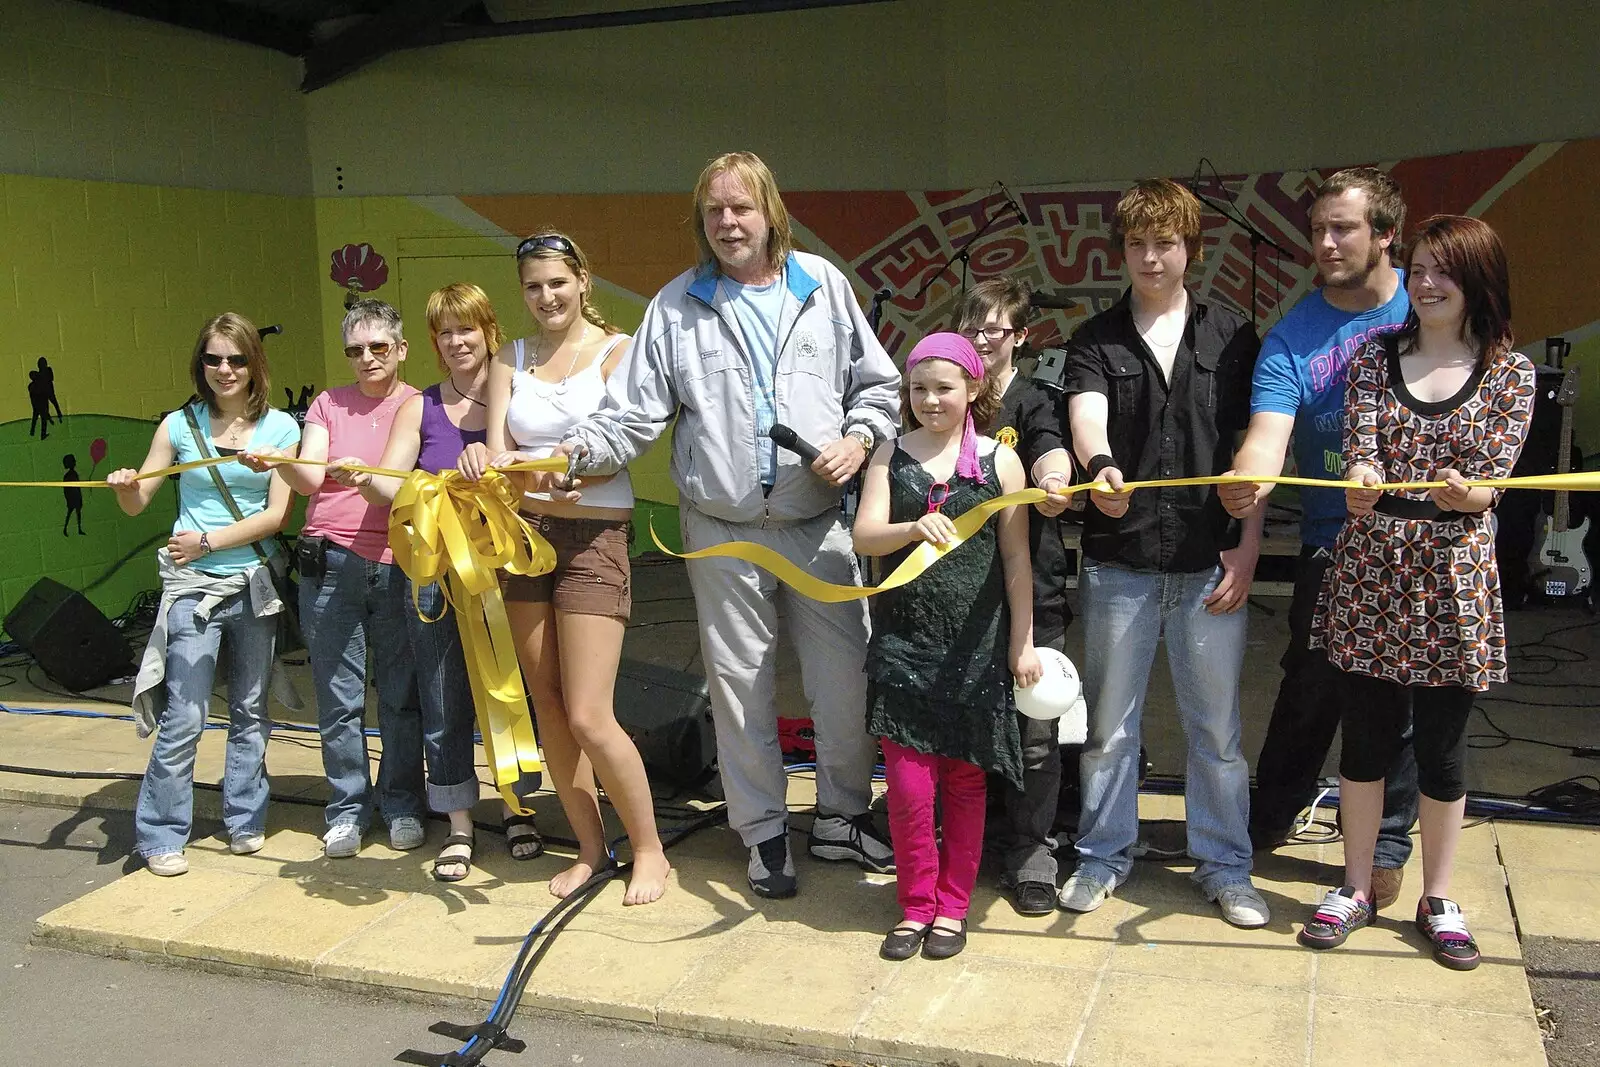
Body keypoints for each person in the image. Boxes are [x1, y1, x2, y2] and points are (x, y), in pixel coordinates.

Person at [560, 151, 901, 899]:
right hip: (722, 529)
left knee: (845, 685)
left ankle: (843, 815)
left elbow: (879, 385)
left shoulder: (824, 288)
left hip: (819, 528)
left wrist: (859, 437)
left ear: (770, 212)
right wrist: (567, 456)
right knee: (739, 686)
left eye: (741, 208)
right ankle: (765, 832)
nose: (727, 223)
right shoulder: (676, 305)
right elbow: (632, 416)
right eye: (714, 211)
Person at [1297, 216, 1534, 970]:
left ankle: (1438, 897)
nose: (1427, 283)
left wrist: (1475, 493)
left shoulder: (1511, 372)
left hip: (1453, 575)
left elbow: (1494, 475)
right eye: (1421, 268)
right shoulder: (1373, 357)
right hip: (1372, 566)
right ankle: (1356, 884)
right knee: (1363, 741)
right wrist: (1361, 481)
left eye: (1446, 271)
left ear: (1478, 281)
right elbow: (1361, 450)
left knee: (1442, 749)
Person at [1061, 179, 1269, 927]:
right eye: (1138, 244)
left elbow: (1256, 445)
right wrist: (1097, 466)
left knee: (1216, 731)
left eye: (1166, 242)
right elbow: (1085, 415)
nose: (1151, 257)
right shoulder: (1094, 338)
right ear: (1122, 251)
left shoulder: (1235, 336)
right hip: (1119, 562)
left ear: (1192, 249)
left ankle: (1226, 866)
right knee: (1108, 728)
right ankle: (1101, 856)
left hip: (1209, 561)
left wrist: (1248, 549)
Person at [1219, 168, 1419, 909]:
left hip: (1419, 541)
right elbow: (1268, 437)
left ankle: (1388, 842)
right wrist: (1249, 481)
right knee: (1310, 686)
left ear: (1385, 234)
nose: (1326, 243)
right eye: (1317, 230)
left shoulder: (1424, 310)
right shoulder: (1292, 334)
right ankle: (1271, 812)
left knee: (1395, 699)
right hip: (1333, 542)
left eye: (1344, 229)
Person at [458, 230, 670, 906]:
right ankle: (588, 848)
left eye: (557, 283)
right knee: (545, 700)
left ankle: (650, 849)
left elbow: (626, 441)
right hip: (523, 534)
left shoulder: (618, 351)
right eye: (532, 286)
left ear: (583, 282)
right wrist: (478, 464)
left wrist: (588, 468)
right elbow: (497, 451)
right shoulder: (508, 359)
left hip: (594, 536)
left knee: (587, 711)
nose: (546, 296)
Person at [331, 287, 531, 882]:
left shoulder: (514, 392)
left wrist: (493, 467)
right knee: (444, 702)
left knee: (513, 694)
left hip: (506, 573)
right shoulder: (419, 407)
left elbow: (528, 470)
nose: (457, 342)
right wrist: (366, 479)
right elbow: (393, 483)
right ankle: (460, 824)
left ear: (488, 330)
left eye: (466, 329)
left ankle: (519, 808)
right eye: (445, 333)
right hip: (436, 577)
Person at [853, 332, 1041, 960]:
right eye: (918, 389)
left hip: (976, 649)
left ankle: (953, 909)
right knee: (909, 788)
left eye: (944, 388)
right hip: (905, 647)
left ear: (973, 389)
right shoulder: (889, 455)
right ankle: (914, 905)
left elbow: (1017, 561)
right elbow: (865, 538)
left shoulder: (999, 463)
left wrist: (1023, 644)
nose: (930, 400)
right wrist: (911, 527)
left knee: (965, 784)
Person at [109, 313, 301, 875]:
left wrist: (207, 541)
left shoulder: (283, 429)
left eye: (237, 359)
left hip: (253, 585)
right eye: (214, 358)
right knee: (185, 714)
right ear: (201, 364)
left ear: (254, 364)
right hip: (193, 588)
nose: (225, 369)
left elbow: (275, 514)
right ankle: (161, 834)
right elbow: (139, 499)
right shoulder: (177, 425)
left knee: (250, 709)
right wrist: (123, 488)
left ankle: (245, 820)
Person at [242, 298, 425, 859]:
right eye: (354, 350)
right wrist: (279, 461)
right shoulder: (326, 403)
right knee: (338, 699)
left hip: (395, 563)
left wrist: (366, 480)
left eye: (377, 347)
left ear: (400, 349)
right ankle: (347, 808)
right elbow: (310, 479)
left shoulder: (417, 404)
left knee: (398, 696)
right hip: (328, 563)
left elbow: (392, 487)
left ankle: (401, 805)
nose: (366, 358)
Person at [955, 277, 1076, 916]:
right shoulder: (939, 398)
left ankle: (1033, 851)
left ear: (1020, 339)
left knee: (1036, 732)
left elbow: (1054, 452)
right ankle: (969, 846)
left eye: (993, 330)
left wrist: (1055, 476)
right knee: (966, 724)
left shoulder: (1034, 402)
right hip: (956, 597)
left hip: (1035, 588)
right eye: (969, 327)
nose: (979, 340)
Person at [62, 453, 84, 535]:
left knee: (78, 513)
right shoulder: (69, 475)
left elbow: (78, 487)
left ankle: (79, 529)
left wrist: (79, 496)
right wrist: (69, 498)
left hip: (76, 497)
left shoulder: (74, 474)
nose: (75, 462)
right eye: (73, 461)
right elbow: (66, 489)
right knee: (69, 513)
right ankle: (65, 528)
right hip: (72, 497)